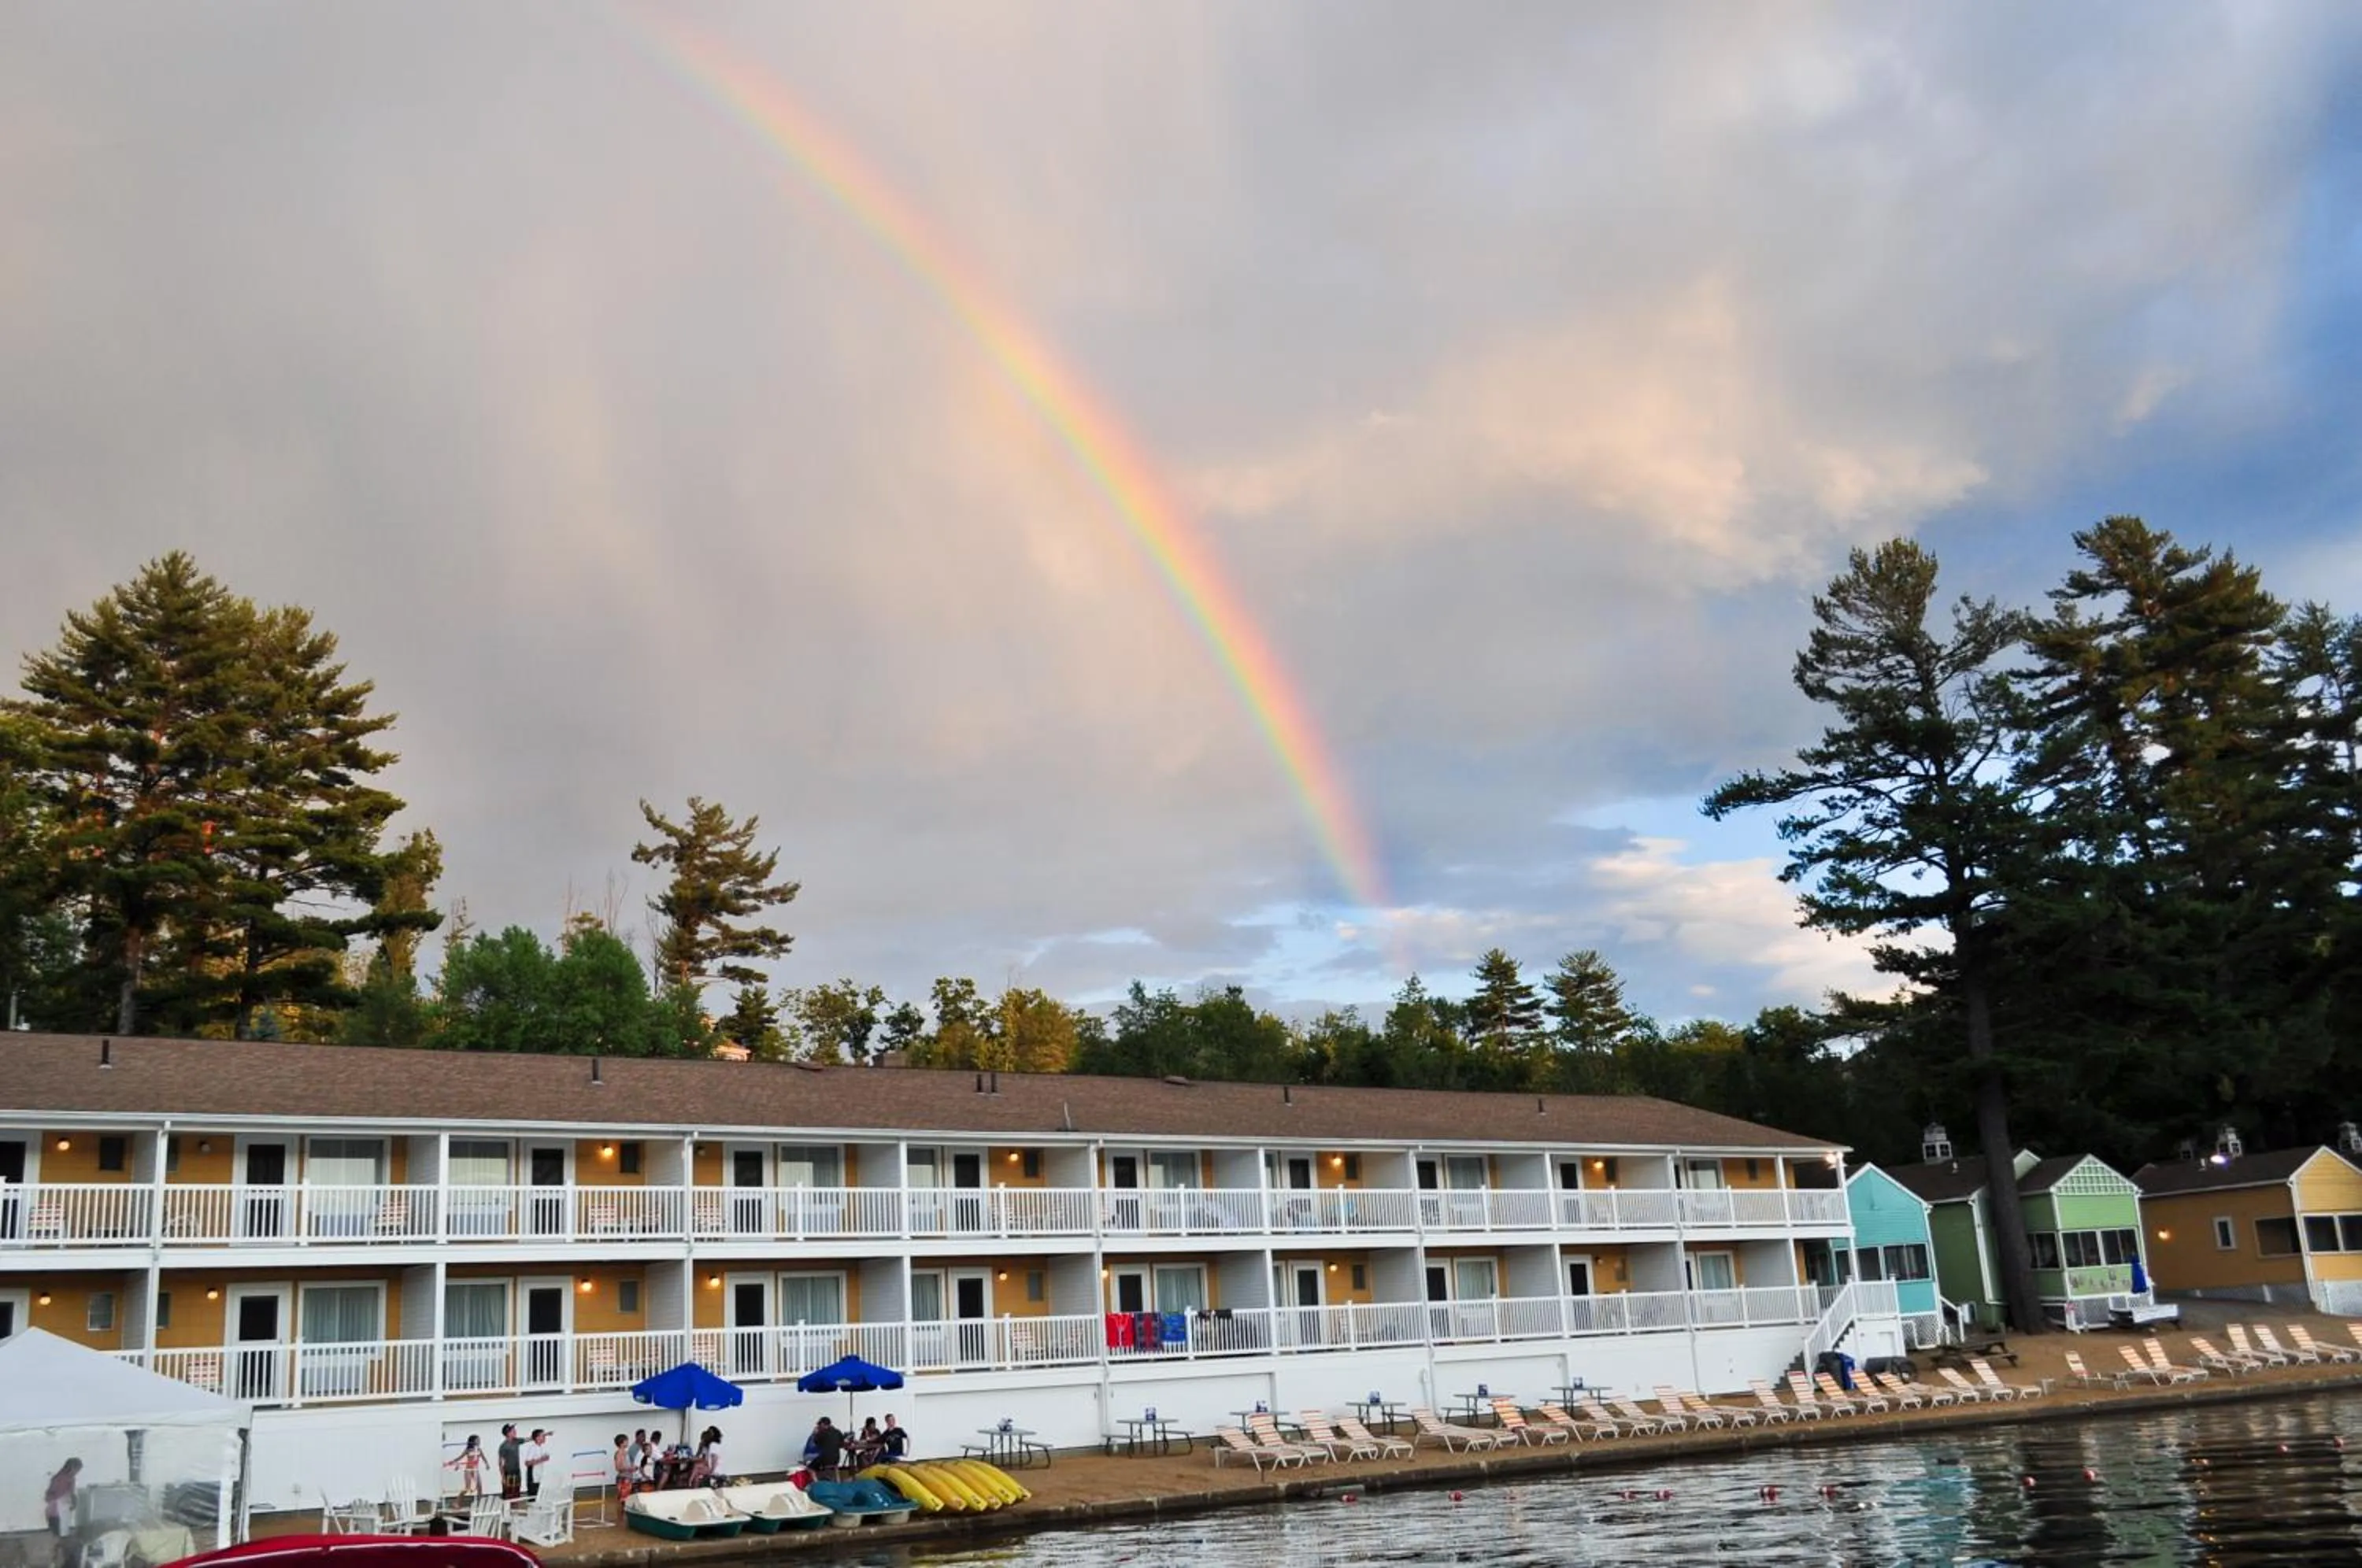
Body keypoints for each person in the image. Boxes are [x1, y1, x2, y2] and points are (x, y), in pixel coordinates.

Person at [43, 1459, 80, 1537]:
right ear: (71, 1468)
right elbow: (48, 1497)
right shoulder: (58, 1479)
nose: (77, 1473)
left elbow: (71, 1494)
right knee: (58, 1536)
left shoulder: (71, 1479)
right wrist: (59, 1498)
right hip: (55, 1513)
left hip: (63, 1512)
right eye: (76, 1470)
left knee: (63, 1535)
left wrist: (73, 1501)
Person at [446, 1436, 488, 1500]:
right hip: (468, 1470)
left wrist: (487, 1464)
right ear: (473, 1441)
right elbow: (460, 1457)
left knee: (479, 1486)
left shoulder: (479, 1449)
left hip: (476, 1470)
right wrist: (453, 1462)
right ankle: (457, 1501)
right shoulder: (468, 1450)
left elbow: (483, 1458)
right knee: (467, 1488)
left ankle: (480, 1501)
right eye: (478, 1440)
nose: (479, 1441)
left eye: (479, 1440)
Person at [520, 1429, 551, 1499]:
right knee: (533, 1498)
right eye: (543, 1436)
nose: (545, 1437)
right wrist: (541, 1459)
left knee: (539, 1497)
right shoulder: (533, 1448)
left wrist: (544, 1458)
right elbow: (527, 1463)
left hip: (539, 1476)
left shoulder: (541, 1448)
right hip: (533, 1477)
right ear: (537, 1438)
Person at [496, 1425, 522, 1501]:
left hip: (517, 1471)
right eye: (513, 1431)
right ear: (508, 1433)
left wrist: (545, 1434)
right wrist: (503, 1477)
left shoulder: (516, 1441)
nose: (515, 1432)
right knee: (508, 1494)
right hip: (508, 1472)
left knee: (516, 1493)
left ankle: (515, 1510)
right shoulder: (503, 1446)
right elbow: (500, 1463)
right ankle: (506, 1511)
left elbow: (529, 1438)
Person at [610, 1434, 632, 1499]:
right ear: (622, 1443)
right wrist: (630, 1468)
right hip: (624, 1478)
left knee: (625, 1498)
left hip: (627, 1477)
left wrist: (631, 1468)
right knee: (623, 1499)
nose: (628, 1442)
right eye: (626, 1441)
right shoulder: (620, 1453)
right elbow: (618, 1468)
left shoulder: (625, 1452)